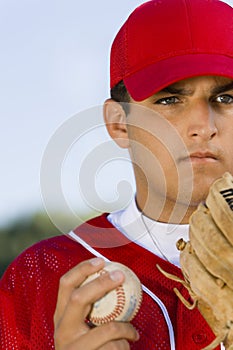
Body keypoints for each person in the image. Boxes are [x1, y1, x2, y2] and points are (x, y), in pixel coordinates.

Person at [1, 0, 233, 349]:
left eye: (227, 98)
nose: (204, 125)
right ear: (119, 123)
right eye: (169, 100)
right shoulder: (38, 275)